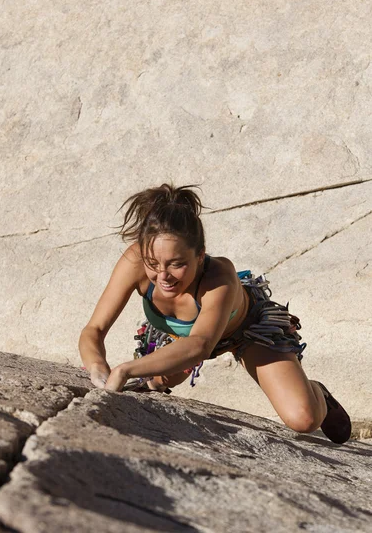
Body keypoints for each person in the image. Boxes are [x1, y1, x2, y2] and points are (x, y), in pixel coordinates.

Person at [79, 183, 351, 444]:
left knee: (303, 419)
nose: (163, 276)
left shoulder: (220, 276)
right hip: (177, 338)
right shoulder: (135, 260)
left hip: (246, 330)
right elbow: (94, 330)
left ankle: (318, 394)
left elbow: (200, 345)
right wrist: (97, 367)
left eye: (177, 264)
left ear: (200, 256)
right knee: (151, 383)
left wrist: (125, 369)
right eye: (153, 264)